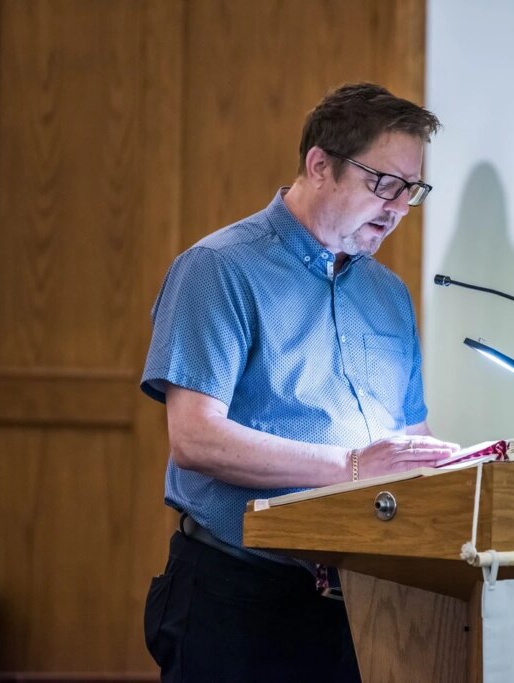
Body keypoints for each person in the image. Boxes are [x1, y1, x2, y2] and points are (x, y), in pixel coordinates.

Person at [140, 82, 459, 682]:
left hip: (364, 601)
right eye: (383, 185)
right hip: (238, 597)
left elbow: (410, 442)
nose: (397, 208)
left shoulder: (388, 295)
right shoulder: (218, 269)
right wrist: (354, 467)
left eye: (410, 191)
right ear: (320, 165)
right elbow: (195, 440)